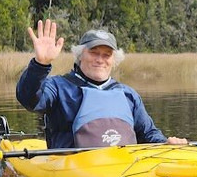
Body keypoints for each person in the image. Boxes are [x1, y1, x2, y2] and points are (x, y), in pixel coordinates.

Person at [16, 19, 186, 149]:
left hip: (123, 168)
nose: (100, 60)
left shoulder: (128, 94)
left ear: (114, 60)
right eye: (94, 52)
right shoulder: (59, 87)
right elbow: (28, 99)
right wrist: (40, 64)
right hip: (72, 171)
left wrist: (166, 143)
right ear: (80, 55)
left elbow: (148, 134)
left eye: (106, 55)